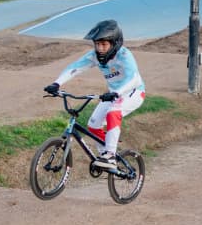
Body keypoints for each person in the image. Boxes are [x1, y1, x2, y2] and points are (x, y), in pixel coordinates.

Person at [43, 19, 145, 169]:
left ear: (115, 43)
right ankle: (106, 155)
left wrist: (117, 92)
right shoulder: (94, 56)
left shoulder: (124, 55)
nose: (100, 48)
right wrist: (56, 83)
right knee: (93, 125)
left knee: (113, 112)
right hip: (113, 95)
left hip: (133, 92)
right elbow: (75, 68)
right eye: (97, 44)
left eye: (104, 44)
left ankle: (110, 156)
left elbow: (134, 79)